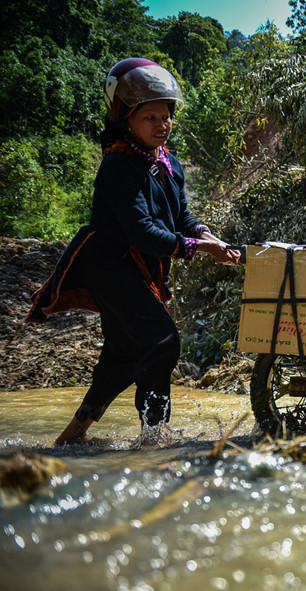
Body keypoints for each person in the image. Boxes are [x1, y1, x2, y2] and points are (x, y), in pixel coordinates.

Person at [27, 58, 240, 448]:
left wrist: (206, 235)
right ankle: (152, 439)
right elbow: (144, 233)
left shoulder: (168, 162)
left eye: (166, 116)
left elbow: (182, 217)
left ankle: (72, 435)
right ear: (126, 120)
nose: (163, 125)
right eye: (151, 118)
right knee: (161, 341)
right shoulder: (118, 166)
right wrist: (201, 248)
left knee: (123, 355)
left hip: (134, 267)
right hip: (107, 263)